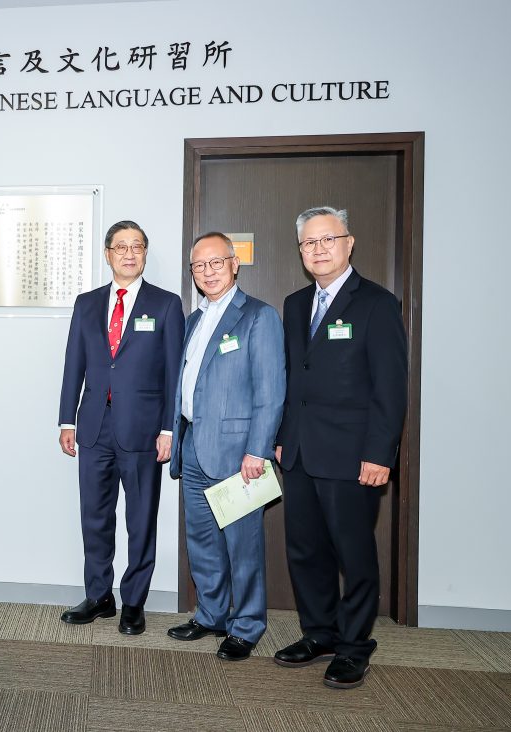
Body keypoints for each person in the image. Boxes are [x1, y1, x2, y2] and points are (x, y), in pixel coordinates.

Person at [273, 206, 407, 689]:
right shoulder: (293, 304)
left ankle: (354, 647)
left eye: (328, 239)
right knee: (305, 551)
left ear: (349, 243)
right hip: (301, 453)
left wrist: (380, 453)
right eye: (309, 242)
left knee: (354, 554)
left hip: (354, 456)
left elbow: (390, 389)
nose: (319, 249)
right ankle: (319, 634)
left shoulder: (376, 303)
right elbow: (293, 380)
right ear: (301, 251)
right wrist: (283, 438)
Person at [57, 220, 185, 634]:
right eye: (120, 247)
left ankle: (134, 601)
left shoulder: (166, 304)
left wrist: (169, 429)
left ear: (145, 254)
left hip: (144, 431)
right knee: (94, 515)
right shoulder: (87, 303)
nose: (129, 254)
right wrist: (65, 420)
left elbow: (174, 375)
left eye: (137, 247)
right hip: (93, 427)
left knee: (141, 517)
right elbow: (73, 365)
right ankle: (99, 597)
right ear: (108, 253)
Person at [166, 232, 285, 660]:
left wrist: (259, 449)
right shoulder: (193, 320)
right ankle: (211, 614)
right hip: (193, 444)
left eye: (216, 263)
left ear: (235, 265)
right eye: (199, 266)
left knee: (242, 543)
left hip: (238, 453)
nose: (208, 272)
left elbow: (270, 392)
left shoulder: (258, 316)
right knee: (201, 539)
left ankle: (247, 625)